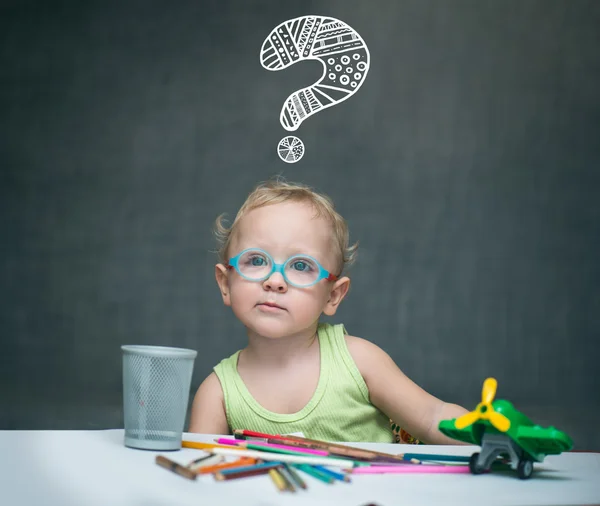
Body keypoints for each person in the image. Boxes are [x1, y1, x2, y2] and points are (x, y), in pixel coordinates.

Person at [189, 178, 468, 443]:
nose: (274, 281)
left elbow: (432, 418)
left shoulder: (359, 361)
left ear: (333, 296)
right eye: (256, 260)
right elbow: (196, 470)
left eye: (300, 266)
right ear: (225, 283)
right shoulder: (217, 393)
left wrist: (484, 435)